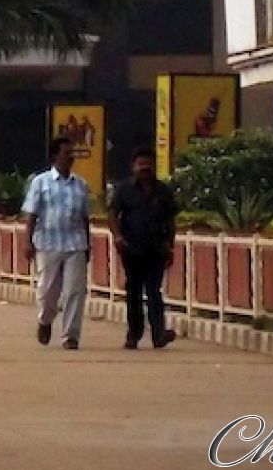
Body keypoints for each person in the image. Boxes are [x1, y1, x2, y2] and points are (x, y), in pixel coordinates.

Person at [20, 135, 91, 350]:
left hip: (75, 243)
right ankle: (45, 320)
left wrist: (89, 244)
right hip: (48, 243)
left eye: (72, 153)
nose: (70, 157)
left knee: (74, 291)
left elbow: (85, 217)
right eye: (66, 153)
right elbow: (31, 214)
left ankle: (71, 335)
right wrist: (28, 242)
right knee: (48, 290)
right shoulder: (40, 182)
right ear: (55, 156)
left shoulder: (81, 184)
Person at [108, 146, 177, 350]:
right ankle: (134, 334)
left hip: (156, 248)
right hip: (132, 248)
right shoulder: (124, 189)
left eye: (148, 164)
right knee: (134, 292)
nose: (145, 168)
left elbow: (170, 220)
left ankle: (159, 334)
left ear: (154, 166)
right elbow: (112, 214)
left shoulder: (163, 190)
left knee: (154, 291)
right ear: (133, 167)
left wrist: (170, 246)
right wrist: (118, 236)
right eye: (141, 164)